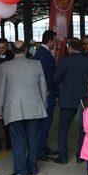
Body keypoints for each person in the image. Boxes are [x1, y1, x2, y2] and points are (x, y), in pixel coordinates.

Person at [0, 41, 47, 175]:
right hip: (34, 107)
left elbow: (1, 90)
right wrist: (43, 105)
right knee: (33, 138)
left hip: (14, 109)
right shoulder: (36, 64)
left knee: (18, 140)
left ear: (12, 49)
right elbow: (43, 87)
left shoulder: (4, 66)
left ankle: (21, 171)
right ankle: (33, 168)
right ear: (26, 50)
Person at [52, 38, 88, 164]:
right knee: (84, 128)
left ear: (70, 47)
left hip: (67, 100)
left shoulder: (64, 61)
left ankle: (63, 156)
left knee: (63, 128)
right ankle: (80, 156)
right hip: (84, 100)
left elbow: (55, 78)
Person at [33, 30, 58, 161]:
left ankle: (44, 147)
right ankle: (41, 150)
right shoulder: (43, 54)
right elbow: (42, 74)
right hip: (46, 93)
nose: (56, 43)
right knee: (45, 123)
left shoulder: (43, 52)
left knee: (45, 123)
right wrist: (46, 89)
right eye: (55, 40)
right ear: (49, 41)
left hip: (46, 92)